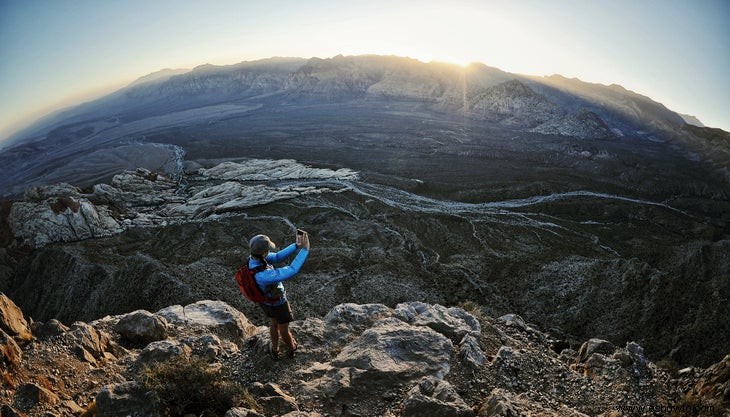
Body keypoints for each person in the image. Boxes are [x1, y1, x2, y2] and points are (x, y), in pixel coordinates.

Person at [248, 230, 310, 359]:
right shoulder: (264, 275)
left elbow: (276, 257)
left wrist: (296, 245)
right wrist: (305, 250)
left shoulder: (253, 260)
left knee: (273, 322)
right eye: (268, 250)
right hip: (278, 303)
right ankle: (292, 348)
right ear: (264, 253)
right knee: (284, 328)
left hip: (265, 302)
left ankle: (275, 349)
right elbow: (292, 270)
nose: (269, 252)